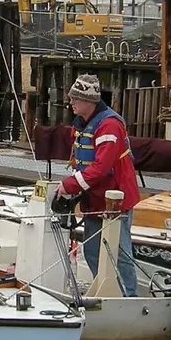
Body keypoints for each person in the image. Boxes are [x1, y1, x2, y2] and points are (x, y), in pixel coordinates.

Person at [54, 73, 140, 297]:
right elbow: (79, 161)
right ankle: (104, 291)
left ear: (89, 101)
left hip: (115, 199)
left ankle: (128, 296)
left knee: (119, 252)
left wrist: (70, 185)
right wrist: (74, 186)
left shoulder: (109, 126)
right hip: (95, 199)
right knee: (92, 250)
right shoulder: (82, 124)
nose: (70, 102)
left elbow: (102, 166)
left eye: (75, 98)